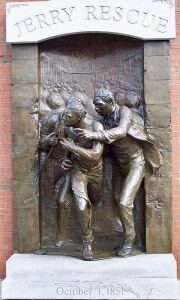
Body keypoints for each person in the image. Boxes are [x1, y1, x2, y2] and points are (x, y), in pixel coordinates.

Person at [75, 88, 162, 257]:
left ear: (110, 102)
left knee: (124, 202)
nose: (97, 109)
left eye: (99, 105)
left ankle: (129, 241)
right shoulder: (103, 120)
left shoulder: (124, 111)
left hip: (136, 163)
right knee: (116, 199)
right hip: (118, 165)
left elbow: (122, 131)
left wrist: (94, 134)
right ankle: (124, 233)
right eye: (95, 106)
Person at [56, 99, 104, 260]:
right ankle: (87, 243)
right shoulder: (68, 129)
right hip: (78, 171)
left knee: (96, 201)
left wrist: (73, 148)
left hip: (96, 172)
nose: (64, 119)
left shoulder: (95, 127)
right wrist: (65, 161)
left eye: (68, 116)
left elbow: (96, 155)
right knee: (82, 205)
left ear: (79, 116)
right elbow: (66, 154)